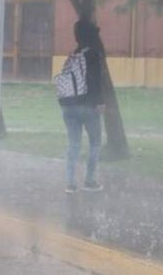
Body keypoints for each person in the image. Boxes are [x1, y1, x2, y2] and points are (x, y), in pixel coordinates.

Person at [57, 20, 105, 194]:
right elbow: (96, 81)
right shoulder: (93, 55)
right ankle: (89, 181)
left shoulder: (72, 56)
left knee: (74, 144)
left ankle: (70, 183)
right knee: (95, 143)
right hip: (88, 105)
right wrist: (100, 102)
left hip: (68, 106)